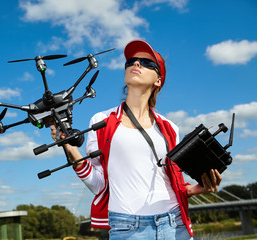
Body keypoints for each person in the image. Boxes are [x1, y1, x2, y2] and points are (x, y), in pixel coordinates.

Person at [50, 39, 222, 239]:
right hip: (128, 228)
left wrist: (200, 188)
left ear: (158, 80)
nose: (136, 64)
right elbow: (98, 184)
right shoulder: (101, 121)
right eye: (131, 61)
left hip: (175, 223)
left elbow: (173, 182)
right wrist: (71, 150)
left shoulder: (169, 128)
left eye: (147, 63)